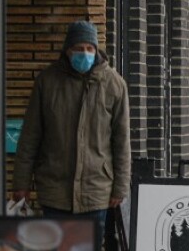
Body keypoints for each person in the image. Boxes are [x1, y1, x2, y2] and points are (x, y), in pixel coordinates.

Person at [13, 19, 130, 229]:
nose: (84, 53)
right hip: (54, 189)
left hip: (96, 190)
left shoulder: (114, 84)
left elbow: (121, 141)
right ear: (68, 51)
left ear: (96, 50)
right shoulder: (47, 82)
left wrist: (120, 188)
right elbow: (30, 137)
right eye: (78, 48)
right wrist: (21, 184)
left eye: (89, 48)